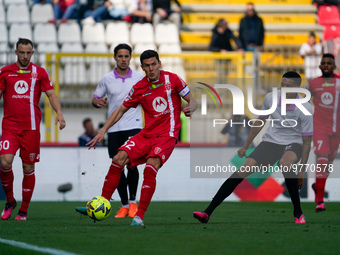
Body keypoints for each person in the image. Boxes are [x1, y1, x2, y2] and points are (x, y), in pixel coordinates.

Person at [78, 50, 197, 226]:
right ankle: (102, 202)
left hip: (167, 134)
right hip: (146, 134)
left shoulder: (173, 80)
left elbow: (193, 100)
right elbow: (119, 111)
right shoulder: (140, 87)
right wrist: (103, 131)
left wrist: (190, 108)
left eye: (154, 64)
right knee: (118, 158)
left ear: (159, 63)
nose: (151, 69)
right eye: (147, 66)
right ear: (142, 67)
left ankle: (139, 216)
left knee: (150, 167)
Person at [193, 71, 313, 224]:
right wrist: (245, 146)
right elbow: (260, 121)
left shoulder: (305, 108)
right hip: (271, 141)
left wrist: (301, 170)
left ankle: (298, 213)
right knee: (242, 170)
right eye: (282, 85)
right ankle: (207, 212)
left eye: (289, 86)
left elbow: (307, 142)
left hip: (294, 143)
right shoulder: (271, 98)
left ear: (298, 88)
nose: (284, 89)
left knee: (285, 163)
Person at [0, 38, 66, 221]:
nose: (25, 56)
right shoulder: (5, 72)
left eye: (28, 53)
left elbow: (51, 94)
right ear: (16, 52)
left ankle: (23, 210)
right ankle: (10, 201)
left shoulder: (40, 73)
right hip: (10, 127)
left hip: (31, 128)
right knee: (5, 162)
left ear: (33, 53)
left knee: (28, 167)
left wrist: (59, 113)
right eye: (22, 52)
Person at [91, 43, 144, 218]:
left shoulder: (139, 77)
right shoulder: (106, 79)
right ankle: (123, 205)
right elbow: (96, 97)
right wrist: (97, 102)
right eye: (120, 56)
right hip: (114, 128)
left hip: (134, 125)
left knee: (132, 164)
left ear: (130, 58)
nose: (123, 59)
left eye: (126, 56)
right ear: (115, 57)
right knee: (117, 165)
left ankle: (133, 202)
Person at [308, 53, 340, 212]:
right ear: (320, 66)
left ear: (334, 66)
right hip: (319, 128)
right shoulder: (313, 83)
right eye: (323, 63)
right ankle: (320, 200)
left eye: (329, 63)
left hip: (336, 129)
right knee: (321, 162)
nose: (326, 65)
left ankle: (317, 186)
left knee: (328, 164)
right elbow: (303, 101)